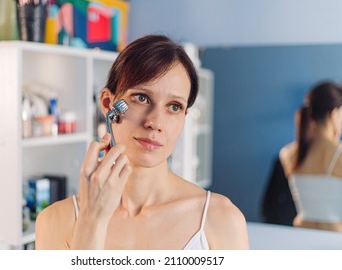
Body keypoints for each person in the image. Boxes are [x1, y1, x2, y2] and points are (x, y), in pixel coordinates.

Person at [35, 34, 249, 250]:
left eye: (174, 106)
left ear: (184, 117)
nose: (155, 122)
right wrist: (92, 222)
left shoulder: (221, 220)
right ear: (109, 104)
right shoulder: (55, 222)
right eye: (142, 98)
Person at [280, 80, 342, 232]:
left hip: (301, 235)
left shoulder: (287, 153)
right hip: (333, 241)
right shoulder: (338, 154)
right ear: (333, 114)